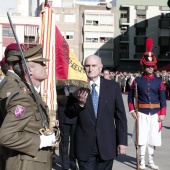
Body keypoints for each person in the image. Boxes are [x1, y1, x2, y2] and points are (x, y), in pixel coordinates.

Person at [65, 55, 127, 170]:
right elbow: (69, 113)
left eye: (94, 66)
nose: (90, 69)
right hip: (84, 145)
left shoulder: (113, 87)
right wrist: (80, 104)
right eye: (87, 66)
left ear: (100, 68)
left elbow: (120, 116)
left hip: (107, 144)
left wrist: (122, 141)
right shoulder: (76, 88)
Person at [0, 44, 56, 170]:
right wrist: (40, 141)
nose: (45, 66)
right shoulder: (24, 98)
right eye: (41, 63)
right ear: (30, 70)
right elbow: (6, 136)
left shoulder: (32, 94)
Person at [128, 38, 166, 170]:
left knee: (153, 138)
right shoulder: (137, 81)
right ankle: (142, 162)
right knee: (142, 138)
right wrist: (132, 111)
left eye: (152, 66)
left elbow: (162, 98)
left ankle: (151, 161)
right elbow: (130, 97)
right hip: (142, 114)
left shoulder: (159, 81)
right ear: (144, 66)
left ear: (154, 67)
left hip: (155, 114)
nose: (150, 68)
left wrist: (162, 113)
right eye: (147, 66)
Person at [0, 43, 28, 170]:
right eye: (25, 60)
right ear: (16, 61)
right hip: (12, 146)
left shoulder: (15, 81)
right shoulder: (12, 84)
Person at [56, 87, 78, 170]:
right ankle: (64, 164)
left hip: (74, 118)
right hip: (63, 119)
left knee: (74, 143)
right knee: (64, 143)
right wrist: (56, 117)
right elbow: (56, 104)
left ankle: (72, 162)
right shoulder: (59, 90)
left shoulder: (76, 89)